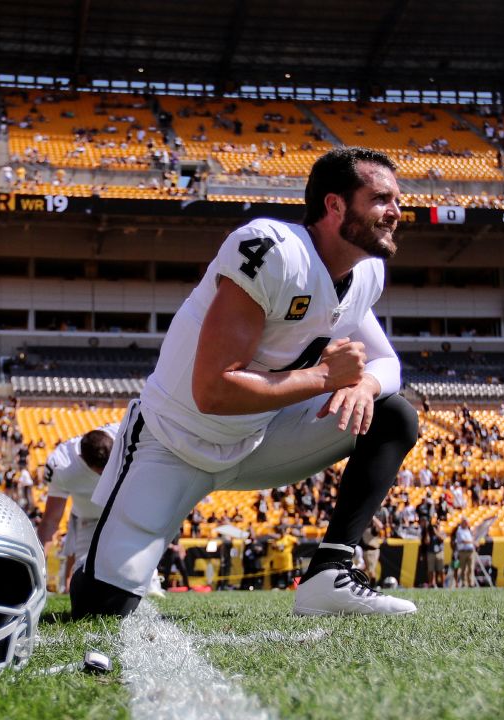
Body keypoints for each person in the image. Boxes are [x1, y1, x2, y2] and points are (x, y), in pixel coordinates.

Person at [72, 147, 418, 619]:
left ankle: (329, 573)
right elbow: (214, 391)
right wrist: (322, 377)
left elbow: (387, 364)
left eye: (396, 200)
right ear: (336, 205)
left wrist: (363, 387)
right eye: (381, 199)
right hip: (174, 442)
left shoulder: (365, 273)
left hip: (260, 438)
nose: (396, 212)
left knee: (393, 413)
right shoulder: (272, 249)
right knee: (102, 608)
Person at [34, 426, 116, 591]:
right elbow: (50, 521)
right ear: (82, 460)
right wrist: (34, 566)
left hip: (123, 513)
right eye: (101, 472)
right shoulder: (62, 464)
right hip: (89, 519)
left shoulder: (123, 431)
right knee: (86, 586)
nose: (106, 475)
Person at [453, 520, 477, 588]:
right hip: (462, 552)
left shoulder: (468, 530)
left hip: (470, 551)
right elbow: (463, 540)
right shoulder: (459, 531)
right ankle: (463, 583)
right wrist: (473, 542)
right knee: (462, 568)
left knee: (471, 568)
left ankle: (471, 583)